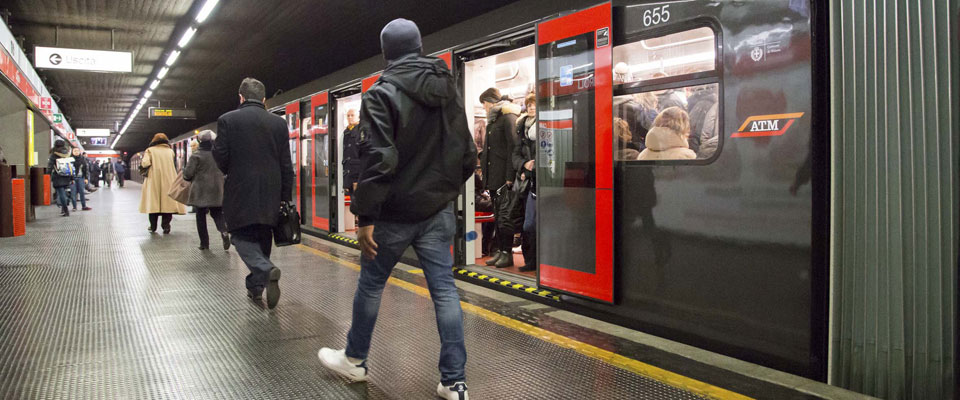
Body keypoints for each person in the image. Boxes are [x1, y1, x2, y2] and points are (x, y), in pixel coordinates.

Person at [317, 19, 476, 400]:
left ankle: (354, 359)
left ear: (386, 52)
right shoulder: (447, 87)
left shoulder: (381, 94)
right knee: (445, 291)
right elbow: (467, 151)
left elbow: (380, 159)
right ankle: (454, 381)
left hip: (393, 214)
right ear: (420, 46)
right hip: (437, 210)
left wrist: (365, 216)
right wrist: (446, 190)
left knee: (371, 285)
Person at [213, 77, 293, 309]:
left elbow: (220, 156)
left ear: (241, 97)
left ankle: (266, 271)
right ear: (264, 99)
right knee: (262, 235)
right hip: (272, 190)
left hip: (240, 188)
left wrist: (232, 170)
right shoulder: (278, 123)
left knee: (240, 236)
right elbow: (286, 164)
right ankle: (255, 287)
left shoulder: (227, 120)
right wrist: (285, 196)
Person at [478, 86, 520, 268]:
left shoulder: (508, 118)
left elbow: (513, 147)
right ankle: (501, 251)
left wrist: (510, 175)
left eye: (485, 104)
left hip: (503, 176)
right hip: (494, 177)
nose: (484, 108)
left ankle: (507, 253)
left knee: (505, 217)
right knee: (499, 216)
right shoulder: (494, 120)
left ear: (491, 102)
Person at [184, 131, 229, 251]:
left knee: (200, 216)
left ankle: (204, 243)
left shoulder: (196, 155)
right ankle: (224, 231)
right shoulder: (219, 154)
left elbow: (188, 174)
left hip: (200, 190)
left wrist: (187, 177)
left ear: (200, 141)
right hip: (217, 188)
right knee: (217, 213)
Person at [139, 133, 186, 233]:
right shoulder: (170, 151)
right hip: (169, 179)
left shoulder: (150, 150)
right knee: (167, 204)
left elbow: (145, 163)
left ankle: (153, 226)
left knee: (153, 203)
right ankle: (166, 226)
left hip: (153, 179)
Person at [512, 93, 537, 272]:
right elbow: (515, 154)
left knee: (533, 223)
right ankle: (530, 259)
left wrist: (530, 167)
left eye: (534, 105)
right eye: (529, 105)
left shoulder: (544, 126)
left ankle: (536, 260)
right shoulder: (521, 129)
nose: (531, 108)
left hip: (537, 180)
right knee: (528, 223)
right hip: (527, 183)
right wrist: (523, 166)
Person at [47, 140, 75, 217]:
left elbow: (50, 166)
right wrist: (72, 178)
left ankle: (66, 210)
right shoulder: (67, 154)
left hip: (58, 176)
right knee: (65, 192)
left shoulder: (53, 155)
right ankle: (63, 209)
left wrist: (47, 175)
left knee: (61, 193)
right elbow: (71, 167)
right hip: (67, 176)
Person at [342, 109, 362, 195]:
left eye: (352, 115)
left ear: (358, 117)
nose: (350, 117)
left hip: (357, 176)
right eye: (348, 115)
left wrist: (356, 179)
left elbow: (360, 156)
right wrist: (346, 181)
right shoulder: (346, 131)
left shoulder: (361, 130)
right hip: (349, 176)